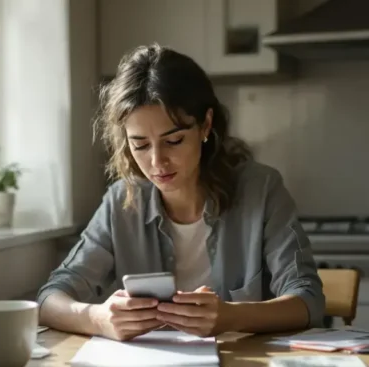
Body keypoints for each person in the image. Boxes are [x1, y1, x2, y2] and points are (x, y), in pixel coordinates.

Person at [36, 44, 324, 341]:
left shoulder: (260, 190)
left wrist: (231, 317)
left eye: (173, 141)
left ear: (205, 125)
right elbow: (49, 300)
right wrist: (98, 318)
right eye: (140, 145)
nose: (157, 162)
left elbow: (308, 301)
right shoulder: (121, 201)